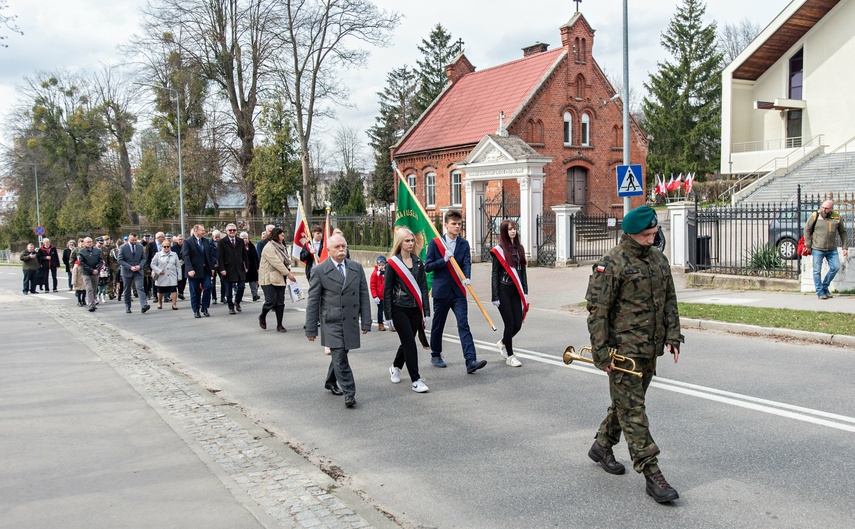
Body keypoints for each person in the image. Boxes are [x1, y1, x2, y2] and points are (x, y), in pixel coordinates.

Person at [584, 205, 683, 504]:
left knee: (626, 406)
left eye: (654, 233)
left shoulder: (658, 260)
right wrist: (601, 353)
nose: (652, 239)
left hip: (649, 349)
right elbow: (597, 311)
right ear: (630, 234)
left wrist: (673, 335)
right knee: (634, 411)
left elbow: (669, 299)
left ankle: (602, 445)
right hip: (622, 351)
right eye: (646, 235)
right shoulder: (611, 263)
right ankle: (652, 473)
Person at [305, 234, 371, 408]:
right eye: (337, 247)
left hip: (349, 320)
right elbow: (313, 302)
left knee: (341, 354)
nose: (342, 249)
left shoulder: (356, 268)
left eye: (344, 246)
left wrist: (366, 321)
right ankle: (350, 393)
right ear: (328, 250)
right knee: (340, 357)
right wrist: (311, 329)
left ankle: (330, 381)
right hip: (332, 321)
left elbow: (364, 295)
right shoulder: (319, 271)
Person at [424, 210, 486, 374]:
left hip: (458, 291)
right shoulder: (436, 243)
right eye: (454, 224)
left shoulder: (464, 244)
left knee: (463, 324)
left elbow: (466, 263)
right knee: (438, 325)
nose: (457, 226)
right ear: (446, 225)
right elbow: (427, 266)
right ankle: (436, 354)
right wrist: (443, 260)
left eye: (459, 224)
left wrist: (467, 278)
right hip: (441, 290)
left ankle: (470, 360)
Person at [383, 228, 431, 393]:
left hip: (415, 309)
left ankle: (396, 366)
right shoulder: (393, 264)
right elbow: (387, 290)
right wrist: (387, 315)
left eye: (412, 240)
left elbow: (424, 289)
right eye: (407, 241)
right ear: (400, 243)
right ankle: (416, 380)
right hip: (399, 308)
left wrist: (427, 312)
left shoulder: (418, 262)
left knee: (407, 341)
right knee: (410, 343)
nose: (411, 243)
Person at [490, 219, 529, 368]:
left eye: (514, 228)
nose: (513, 231)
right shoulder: (498, 250)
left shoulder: (520, 248)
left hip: (516, 291)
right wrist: (495, 295)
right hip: (503, 291)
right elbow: (494, 274)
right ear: (504, 232)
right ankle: (510, 356)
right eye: (509, 229)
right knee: (509, 323)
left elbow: (523, 272)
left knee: (518, 325)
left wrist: (525, 292)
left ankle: (503, 343)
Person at [804, 199, 849, 299]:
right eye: (822, 207)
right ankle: (820, 292)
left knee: (835, 267)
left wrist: (844, 247)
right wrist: (808, 245)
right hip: (817, 248)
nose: (823, 210)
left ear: (831, 209)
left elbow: (843, 232)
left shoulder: (836, 217)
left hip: (831, 249)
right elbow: (806, 229)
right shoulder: (815, 215)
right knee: (817, 271)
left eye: (826, 208)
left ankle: (825, 286)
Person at [258, 227, 297, 332]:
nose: (283, 237)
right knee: (271, 301)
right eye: (282, 235)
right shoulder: (269, 247)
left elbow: (284, 260)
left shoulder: (281, 247)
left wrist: (288, 271)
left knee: (280, 303)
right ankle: (262, 316)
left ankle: (279, 325)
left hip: (280, 278)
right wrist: (288, 274)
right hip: (268, 279)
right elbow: (277, 263)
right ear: (276, 235)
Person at [182, 224, 215, 318]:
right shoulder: (188, 242)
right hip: (194, 271)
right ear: (196, 231)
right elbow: (186, 256)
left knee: (208, 287)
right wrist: (189, 269)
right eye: (202, 230)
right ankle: (196, 310)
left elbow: (209, 255)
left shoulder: (206, 241)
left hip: (205, 270)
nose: (204, 232)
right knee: (195, 291)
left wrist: (212, 268)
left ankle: (205, 307)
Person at [217, 223, 248, 314]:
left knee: (241, 286)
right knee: (228, 291)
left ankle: (237, 302)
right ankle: (231, 307)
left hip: (239, 268)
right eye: (230, 230)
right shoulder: (222, 242)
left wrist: (246, 266)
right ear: (226, 231)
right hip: (227, 269)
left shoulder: (240, 241)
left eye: (234, 230)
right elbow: (220, 257)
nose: (232, 232)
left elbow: (244, 255)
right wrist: (222, 269)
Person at [117, 232, 151, 314]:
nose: (134, 241)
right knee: (127, 290)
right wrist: (129, 267)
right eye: (132, 240)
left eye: (135, 240)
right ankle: (128, 306)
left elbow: (143, 258)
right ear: (129, 239)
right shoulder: (123, 247)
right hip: (127, 271)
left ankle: (144, 305)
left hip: (138, 271)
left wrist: (140, 266)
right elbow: (120, 260)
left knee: (140, 287)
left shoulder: (140, 247)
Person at [151, 240, 181, 310]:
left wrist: (179, 276)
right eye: (165, 246)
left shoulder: (174, 254)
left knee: (173, 290)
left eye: (168, 246)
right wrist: (158, 271)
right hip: (162, 276)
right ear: (162, 247)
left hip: (172, 275)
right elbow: (152, 264)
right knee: (160, 291)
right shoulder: (158, 254)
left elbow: (178, 266)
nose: (166, 248)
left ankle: (174, 304)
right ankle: (159, 302)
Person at [77, 237, 102, 312]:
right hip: (86, 273)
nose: (89, 243)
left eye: (90, 241)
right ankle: (91, 304)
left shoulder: (97, 251)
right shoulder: (81, 252)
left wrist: (97, 269)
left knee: (94, 289)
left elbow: (100, 261)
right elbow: (82, 263)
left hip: (95, 272)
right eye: (88, 242)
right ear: (84, 243)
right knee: (89, 288)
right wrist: (91, 270)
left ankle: (93, 302)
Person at [241, 231, 261, 302]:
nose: (244, 240)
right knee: (241, 283)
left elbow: (255, 256)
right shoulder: (238, 246)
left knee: (253, 281)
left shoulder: (251, 245)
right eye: (242, 238)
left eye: (246, 238)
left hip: (252, 267)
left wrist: (257, 266)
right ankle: (239, 296)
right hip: (242, 267)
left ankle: (254, 295)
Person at [370, 255, 387, 331]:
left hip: (387, 296)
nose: (381, 267)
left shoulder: (387, 273)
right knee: (380, 311)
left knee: (390, 310)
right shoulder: (375, 274)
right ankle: (380, 324)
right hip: (379, 297)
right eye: (379, 265)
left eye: (383, 265)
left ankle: (392, 324)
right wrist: (375, 296)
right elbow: (372, 285)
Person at [172, 234, 187, 300]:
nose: (180, 241)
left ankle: (181, 292)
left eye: (182, 239)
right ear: (177, 240)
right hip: (175, 266)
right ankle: (177, 292)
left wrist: (183, 260)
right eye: (179, 239)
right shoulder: (173, 248)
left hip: (184, 265)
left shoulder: (186, 246)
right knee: (178, 280)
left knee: (184, 279)